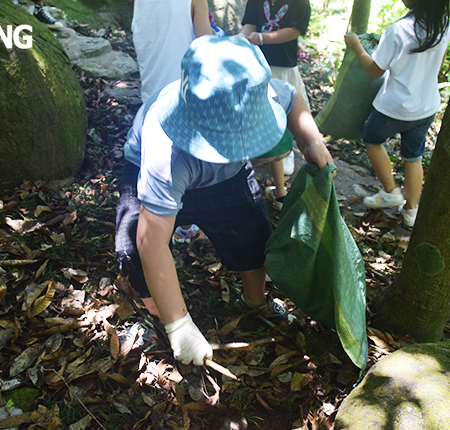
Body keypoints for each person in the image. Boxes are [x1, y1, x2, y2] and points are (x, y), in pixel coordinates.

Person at [115, 35, 334, 366]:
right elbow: (151, 241)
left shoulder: (252, 92)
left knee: (253, 234)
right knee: (131, 245)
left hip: (228, 181)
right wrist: (179, 325)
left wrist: (311, 139)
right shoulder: (166, 152)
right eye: (222, 144)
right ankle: (159, 311)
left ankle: (256, 301)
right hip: (151, 169)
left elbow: (292, 100)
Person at [345, 0, 450, 227]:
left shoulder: (397, 30)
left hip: (395, 107)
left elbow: (375, 70)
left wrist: (357, 47)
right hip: (426, 106)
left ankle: (391, 191)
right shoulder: (443, 25)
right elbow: (438, 66)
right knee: (413, 156)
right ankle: (411, 210)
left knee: (372, 138)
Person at [132, 0, 213, 242]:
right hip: (183, 95)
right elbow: (207, 48)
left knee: (159, 165)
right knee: (187, 164)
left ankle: (158, 229)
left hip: (151, 96)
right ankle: (185, 225)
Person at [240, 0, 312, 208]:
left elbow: (294, 31)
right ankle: (278, 184)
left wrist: (262, 38)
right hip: (257, 65)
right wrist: (242, 38)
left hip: (283, 67)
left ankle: (286, 152)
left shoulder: (300, 3)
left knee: (288, 114)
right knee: (265, 116)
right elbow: (250, 24)